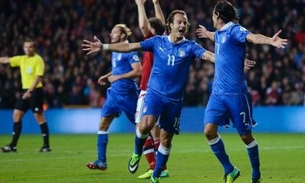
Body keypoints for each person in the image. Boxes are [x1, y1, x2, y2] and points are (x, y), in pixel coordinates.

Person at [82, 10, 216, 183]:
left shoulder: (190, 46)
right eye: (179, 22)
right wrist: (104, 46)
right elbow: (130, 46)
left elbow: (209, 56)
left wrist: (229, 60)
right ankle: (137, 152)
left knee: (166, 140)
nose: (183, 25)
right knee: (145, 125)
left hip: (174, 100)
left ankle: (156, 174)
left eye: (185, 22)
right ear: (170, 25)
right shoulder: (156, 41)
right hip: (154, 93)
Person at [195, 1, 288, 183]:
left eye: (213, 14)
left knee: (246, 136)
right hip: (217, 94)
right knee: (208, 131)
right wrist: (207, 34)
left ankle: (256, 174)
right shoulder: (221, 33)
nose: (211, 17)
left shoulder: (235, 30)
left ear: (219, 15)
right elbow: (218, 37)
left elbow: (252, 37)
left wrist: (270, 40)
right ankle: (230, 169)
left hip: (237, 95)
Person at [86, 24, 142, 171]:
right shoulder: (115, 49)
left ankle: (150, 156)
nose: (111, 35)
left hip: (128, 94)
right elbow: (119, 68)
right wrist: (108, 75)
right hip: (114, 95)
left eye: (114, 33)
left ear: (123, 35)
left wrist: (118, 77)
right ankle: (101, 161)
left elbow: (138, 71)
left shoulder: (130, 50)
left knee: (141, 128)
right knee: (103, 124)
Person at [134, 0, 169, 179]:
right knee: (154, 129)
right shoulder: (164, 42)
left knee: (140, 128)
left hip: (148, 89)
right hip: (157, 90)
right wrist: (155, 3)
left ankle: (154, 165)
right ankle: (160, 168)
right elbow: (161, 25)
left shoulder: (152, 41)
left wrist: (140, 4)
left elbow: (142, 25)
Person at [0, 38, 51, 153]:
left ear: (34, 48)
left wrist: (30, 92)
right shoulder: (22, 59)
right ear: (23, 48)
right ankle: (13, 145)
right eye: (26, 47)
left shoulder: (38, 60)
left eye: (30, 47)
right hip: (25, 91)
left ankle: (46, 145)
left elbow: (38, 78)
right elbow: (7, 60)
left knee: (39, 117)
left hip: (35, 91)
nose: (28, 49)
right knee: (16, 115)